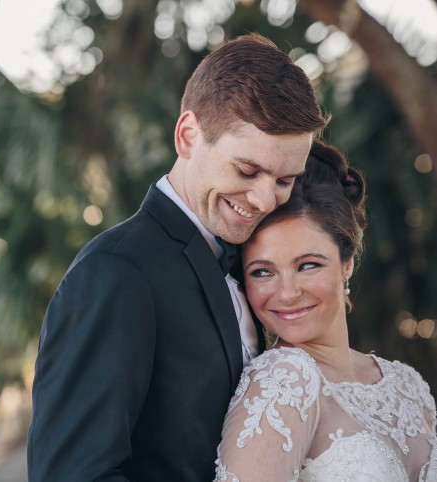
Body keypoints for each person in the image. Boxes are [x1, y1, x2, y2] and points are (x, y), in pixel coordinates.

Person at [27, 33, 327, 481]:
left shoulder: (252, 263)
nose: (265, 199)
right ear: (188, 135)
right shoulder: (116, 273)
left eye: (285, 180)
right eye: (247, 170)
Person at [214, 140, 437, 481]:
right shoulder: (285, 380)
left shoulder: (409, 386)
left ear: (346, 262)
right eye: (262, 272)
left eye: (308, 265)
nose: (287, 293)